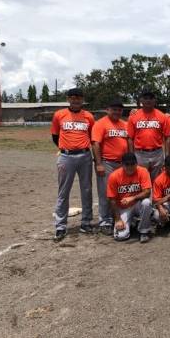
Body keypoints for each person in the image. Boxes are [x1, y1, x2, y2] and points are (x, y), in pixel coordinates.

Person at [51, 87, 95, 241]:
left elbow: (92, 137)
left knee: (87, 189)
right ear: (68, 99)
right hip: (66, 156)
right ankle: (61, 226)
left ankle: (86, 222)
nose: (76, 100)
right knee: (63, 191)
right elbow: (55, 136)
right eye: (73, 97)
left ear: (82, 99)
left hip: (84, 155)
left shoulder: (88, 116)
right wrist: (65, 148)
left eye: (79, 97)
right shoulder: (59, 115)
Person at [91, 99, 129, 235]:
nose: (117, 112)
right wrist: (99, 163)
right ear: (107, 110)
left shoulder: (125, 124)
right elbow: (95, 144)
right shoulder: (100, 124)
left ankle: (116, 217)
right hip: (107, 163)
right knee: (105, 193)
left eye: (119, 110)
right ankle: (105, 221)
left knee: (121, 192)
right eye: (114, 109)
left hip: (122, 164)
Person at [107, 152, 153, 243]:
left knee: (147, 202)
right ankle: (132, 223)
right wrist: (118, 219)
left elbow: (147, 192)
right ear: (122, 164)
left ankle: (143, 231)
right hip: (123, 208)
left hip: (137, 204)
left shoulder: (143, 171)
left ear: (136, 163)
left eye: (132, 164)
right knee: (120, 236)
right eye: (127, 164)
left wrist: (132, 198)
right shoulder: (114, 176)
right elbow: (112, 199)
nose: (130, 167)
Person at [127, 89, 167, 181]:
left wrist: (166, 155)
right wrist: (131, 155)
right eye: (145, 98)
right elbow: (130, 138)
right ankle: (144, 196)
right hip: (140, 153)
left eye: (151, 98)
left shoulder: (162, 116)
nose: (148, 100)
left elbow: (167, 137)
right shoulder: (133, 116)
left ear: (154, 100)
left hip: (157, 152)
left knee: (157, 180)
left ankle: (156, 196)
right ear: (141, 100)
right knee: (140, 180)